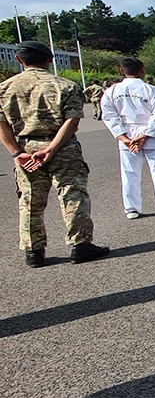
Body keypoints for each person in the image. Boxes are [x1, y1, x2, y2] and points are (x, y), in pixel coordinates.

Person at [0, 41, 109, 267]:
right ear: (50, 59)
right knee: (72, 194)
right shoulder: (66, 86)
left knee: (30, 200)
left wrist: (16, 153)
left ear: (18, 60)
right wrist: (52, 148)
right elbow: (72, 121)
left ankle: (33, 251)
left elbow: (2, 125)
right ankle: (80, 245)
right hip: (62, 147)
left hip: (26, 146)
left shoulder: (4, 88)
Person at [101, 57, 155, 219]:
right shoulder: (152, 90)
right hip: (151, 134)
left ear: (121, 70)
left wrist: (123, 137)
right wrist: (145, 136)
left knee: (129, 173)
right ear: (142, 70)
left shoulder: (111, 92)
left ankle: (131, 208)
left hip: (127, 134)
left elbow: (109, 116)